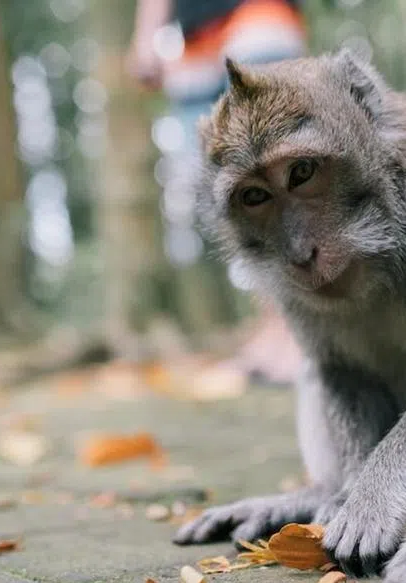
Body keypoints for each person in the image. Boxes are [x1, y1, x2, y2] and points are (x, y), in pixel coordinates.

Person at [128, 0, 306, 385]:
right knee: (223, 187)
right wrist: (147, 37)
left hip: (258, 13)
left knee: (275, 167)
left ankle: (295, 333)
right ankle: (271, 330)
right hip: (194, 38)